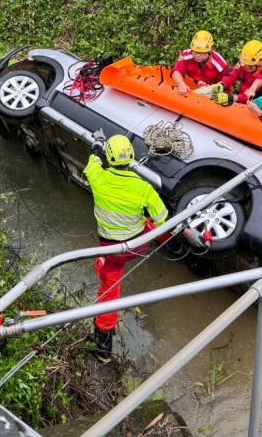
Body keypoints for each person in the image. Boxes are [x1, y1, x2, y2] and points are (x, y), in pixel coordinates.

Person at [84, 133, 170, 362]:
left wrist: (97, 143)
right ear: (131, 157)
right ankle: (174, 247)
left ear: (109, 159)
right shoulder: (144, 189)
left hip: (112, 253)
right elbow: (162, 219)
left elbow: (93, 160)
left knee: (109, 292)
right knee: (153, 225)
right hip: (139, 245)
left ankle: (103, 345)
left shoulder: (97, 177)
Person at [216, 40, 262, 107]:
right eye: (245, 64)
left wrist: (231, 98)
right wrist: (221, 84)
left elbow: (250, 95)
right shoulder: (244, 62)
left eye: (250, 66)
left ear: (260, 62)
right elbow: (231, 77)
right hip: (243, 95)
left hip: (258, 102)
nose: (245, 67)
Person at [171, 30, 229, 95]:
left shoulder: (220, 65)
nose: (198, 55)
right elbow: (177, 72)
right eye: (195, 52)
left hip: (209, 92)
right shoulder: (186, 55)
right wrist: (181, 84)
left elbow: (225, 84)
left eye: (201, 53)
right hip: (189, 85)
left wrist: (208, 89)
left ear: (209, 51)